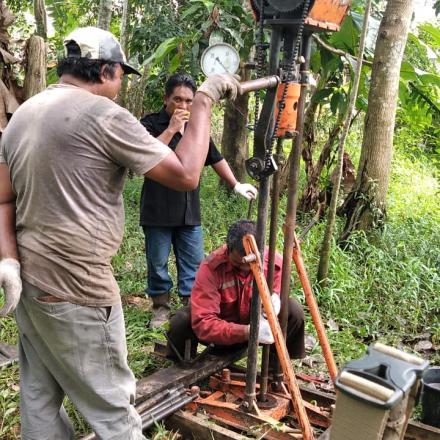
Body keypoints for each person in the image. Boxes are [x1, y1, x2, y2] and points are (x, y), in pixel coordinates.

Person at [0, 26, 241, 440]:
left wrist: (8, 260)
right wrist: (204, 100)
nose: (119, 84)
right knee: (113, 411)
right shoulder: (103, 115)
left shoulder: (25, 112)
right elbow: (185, 175)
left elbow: (3, 199)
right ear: (107, 70)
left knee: (38, 399)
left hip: (30, 284)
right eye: (120, 75)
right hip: (79, 290)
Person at [140, 73, 258, 328]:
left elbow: (215, 157)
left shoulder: (197, 127)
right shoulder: (150, 123)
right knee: (157, 262)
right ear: (166, 99)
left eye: (189, 101)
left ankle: (191, 307)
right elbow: (144, 156)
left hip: (188, 211)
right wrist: (171, 129)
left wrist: (236, 184)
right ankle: (160, 307)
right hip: (156, 208)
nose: (183, 106)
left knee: (193, 262)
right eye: (177, 100)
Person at [167, 220, 305, 362]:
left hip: (263, 332)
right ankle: (180, 367)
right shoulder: (210, 269)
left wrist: (275, 298)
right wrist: (247, 332)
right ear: (228, 250)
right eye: (238, 264)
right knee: (181, 320)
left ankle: (276, 369)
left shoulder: (273, 262)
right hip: (222, 336)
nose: (246, 269)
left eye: (251, 265)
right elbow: (204, 322)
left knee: (293, 309)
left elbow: (279, 288)